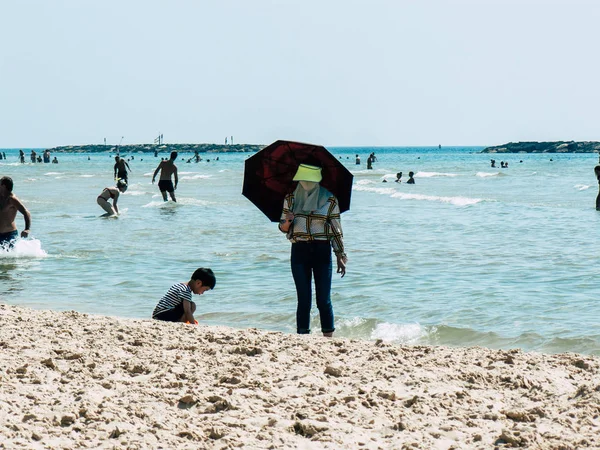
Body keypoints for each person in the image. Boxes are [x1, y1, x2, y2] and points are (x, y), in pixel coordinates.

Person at [279, 164, 347, 337]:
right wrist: (287, 221)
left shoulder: (329, 199)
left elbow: (336, 230)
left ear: (317, 181)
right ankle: (303, 336)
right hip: (299, 250)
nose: (306, 184)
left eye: (309, 181)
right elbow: (283, 228)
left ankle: (328, 337)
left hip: (321, 250)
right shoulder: (291, 199)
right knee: (303, 299)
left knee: (323, 299)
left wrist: (340, 255)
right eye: (303, 181)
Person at [0, 176, 32, 249]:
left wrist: (27, 229)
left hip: (9, 235)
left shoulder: (12, 199)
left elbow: (26, 212)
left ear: (3, 186)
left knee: (9, 259)